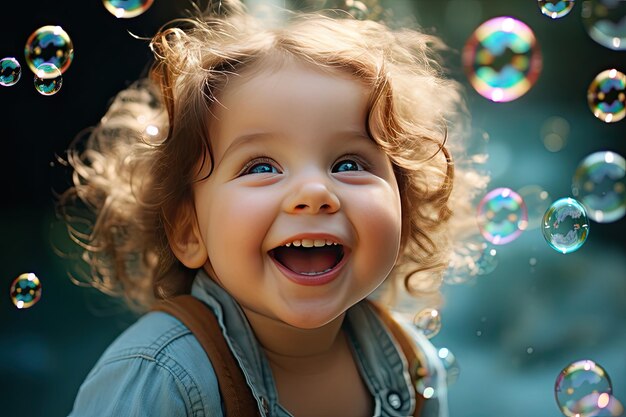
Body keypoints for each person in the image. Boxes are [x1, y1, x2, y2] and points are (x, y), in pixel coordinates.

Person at [60, 0, 487, 415]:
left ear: (404, 207)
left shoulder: (413, 368)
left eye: (349, 163)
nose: (316, 191)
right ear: (190, 230)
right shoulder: (159, 380)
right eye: (261, 166)